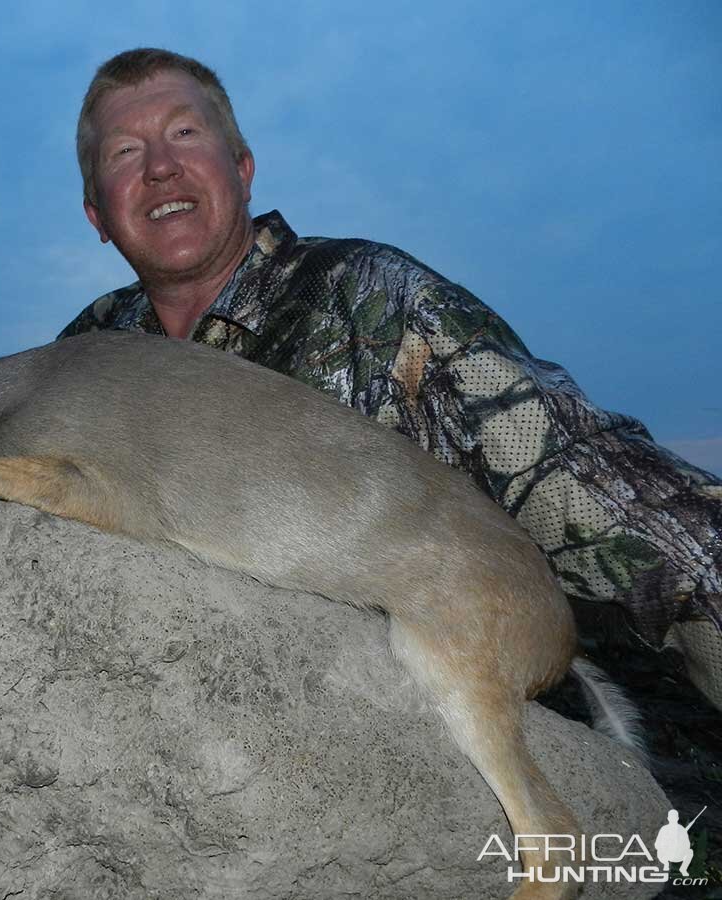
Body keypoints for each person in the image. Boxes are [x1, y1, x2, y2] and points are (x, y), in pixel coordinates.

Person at [58, 48, 722, 701]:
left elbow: (601, 494)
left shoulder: (378, 298)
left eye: (184, 133)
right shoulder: (86, 352)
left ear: (242, 169)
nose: (162, 167)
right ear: (97, 215)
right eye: (124, 153)